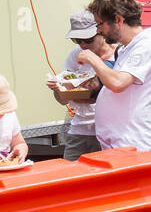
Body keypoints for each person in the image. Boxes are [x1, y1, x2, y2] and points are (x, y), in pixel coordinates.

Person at [78, 0, 151, 152]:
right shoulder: (129, 48)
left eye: (100, 24)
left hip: (133, 143)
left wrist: (93, 60)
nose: (98, 30)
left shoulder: (147, 45)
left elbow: (118, 83)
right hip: (121, 142)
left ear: (118, 20)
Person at [46, 10, 117, 161]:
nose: (83, 45)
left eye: (88, 39)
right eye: (77, 40)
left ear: (100, 32)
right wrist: (58, 89)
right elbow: (63, 100)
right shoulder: (75, 54)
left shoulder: (118, 55)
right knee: (69, 178)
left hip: (109, 130)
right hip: (80, 129)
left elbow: (115, 92)